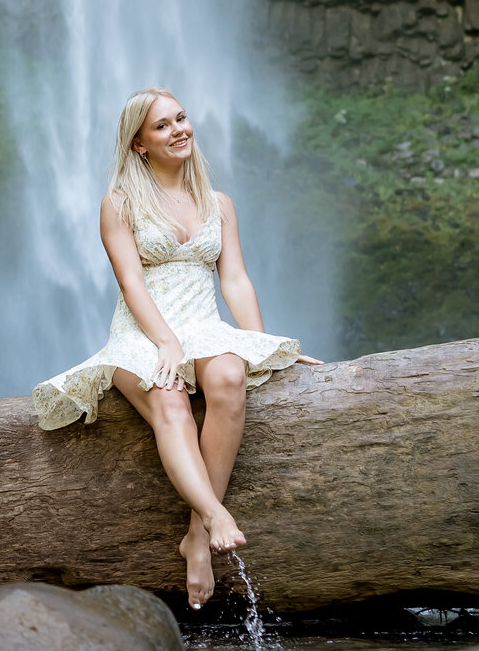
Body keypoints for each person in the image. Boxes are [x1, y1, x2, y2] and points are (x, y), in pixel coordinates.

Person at [33, 87, 320, 609]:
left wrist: (261, 343)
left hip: (203, 327)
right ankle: (215, 517)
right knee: (168, 398)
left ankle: (196, 532)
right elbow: (131, 284)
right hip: (142, 332)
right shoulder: (119, 203)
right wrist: (163, 341)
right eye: (162, 125)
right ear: (140, 144)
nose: (178, 130)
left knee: (230, 376)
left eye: (181, 119)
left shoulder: (220, 204)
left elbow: (234, 279)